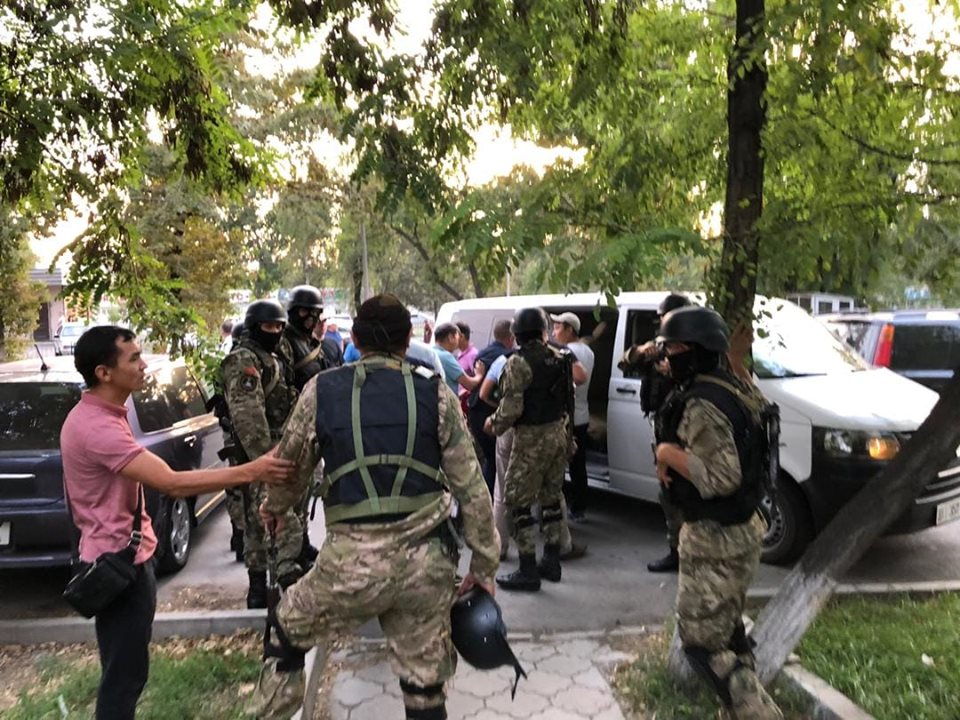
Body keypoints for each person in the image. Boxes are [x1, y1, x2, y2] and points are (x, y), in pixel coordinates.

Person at [251, 294, 499, 720]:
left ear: (356, 339)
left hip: (349, 570)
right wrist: (484, 567)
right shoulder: (436, 394)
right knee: (424, 684)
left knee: (286, 632)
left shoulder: (321, 391)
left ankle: (275, 711)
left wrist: (273, 507)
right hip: (427, 569)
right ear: (407, 341)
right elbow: (472, 488)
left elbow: (289, 469)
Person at [60, 325, 293, 720]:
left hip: (125, 557)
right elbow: (171, 482)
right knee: (124, 677)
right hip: (116, 564)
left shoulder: (103, 414)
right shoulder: (97, 427)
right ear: (104, 372)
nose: (143, 365)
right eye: (133, 358)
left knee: (127, 670)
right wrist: (254, 470)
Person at [654, 306, 782, 720]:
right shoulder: (736, 386)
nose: (667, 355)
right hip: (744, 530)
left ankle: (759, 713)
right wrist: (737, 359)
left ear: (695, 351)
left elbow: (721, 477)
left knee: (701, 644)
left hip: (714, 537)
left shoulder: (702, 403)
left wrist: (667, 453)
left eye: (674, 348)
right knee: (728, 633)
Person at [484, 307, 573, 592]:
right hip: (558, 433)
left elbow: (512, 408)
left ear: (518, 335)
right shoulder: (559, 357)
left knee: (516, 500)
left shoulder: (518, 362)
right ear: (542, 331)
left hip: (531, 438)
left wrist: (493, 423)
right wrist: (569, 437)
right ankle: (551, 560)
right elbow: (567, 399)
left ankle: (527, 569)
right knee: (551, 498)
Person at [222, 299, 304, 608]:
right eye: (270, 326)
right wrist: (264, 460)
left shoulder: (274, 356)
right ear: (255, 327)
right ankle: (260, 588)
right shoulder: (243, 360)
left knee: (278, 518)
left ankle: (277, 583)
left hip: (280, 449)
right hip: (260, 455)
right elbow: (248, 417)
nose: (276, 332)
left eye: (280, 326)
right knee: (262, 522)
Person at [619, 292, 692, 572]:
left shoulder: (694, 346)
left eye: (665, 317)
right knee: (668, 489)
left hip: (685, 427)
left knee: (684, 489)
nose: (661, 322)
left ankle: (687, 550)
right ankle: (676, 549)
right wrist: (641, 351)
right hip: (662, 424)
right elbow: (625, 363)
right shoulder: (660, 344)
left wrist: (673, 371)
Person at [277, 285, 329, 567]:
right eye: (305, 312)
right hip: (293, 425)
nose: (310, 318)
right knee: (291, 493)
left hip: (313, 425)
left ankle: (302, 543)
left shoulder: (310, 343)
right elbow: (283, 385)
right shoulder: (285, 343)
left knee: (307, 490)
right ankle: (287, 557)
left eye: (315, 313)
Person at [550, 312, 594, 522]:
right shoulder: (588, 351)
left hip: (566, 416)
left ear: (570, 330)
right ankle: (579, 507)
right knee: (578, 464)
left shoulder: (565, 353)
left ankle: (557, 508)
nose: (554, 332)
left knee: (558, 465)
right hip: (582, 415)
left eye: (558, 327)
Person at [466, 319, 515, 495]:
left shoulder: (484, 352)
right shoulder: (507, 357)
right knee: (495, 460)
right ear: (511, 337)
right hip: (488, 413)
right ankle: (490, 497)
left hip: (474, 412)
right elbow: (485, 394)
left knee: (489, 458)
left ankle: (486, 495)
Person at [433, 322, 482, 396]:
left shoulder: (431, 352)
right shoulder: (446, 357)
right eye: (457, 337)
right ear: (451, 337)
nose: (458, 341)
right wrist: (479, 375)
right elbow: (469, 384)